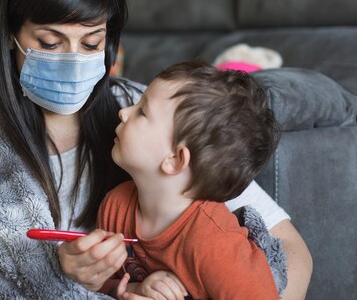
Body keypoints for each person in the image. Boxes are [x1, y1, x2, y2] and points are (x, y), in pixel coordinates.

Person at [0, 0, 312, 299]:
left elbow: (287, 251)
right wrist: (78, 277)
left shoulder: (163, 116)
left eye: (91, 43)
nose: (73, 60)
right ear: (9, 34)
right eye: (51, 43)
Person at [97, 61, 284, 300]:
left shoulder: (216, 243)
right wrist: (135, 290)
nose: (123, 112)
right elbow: (98, 286)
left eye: (142, 112)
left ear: (175, 159)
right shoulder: (115, 205)